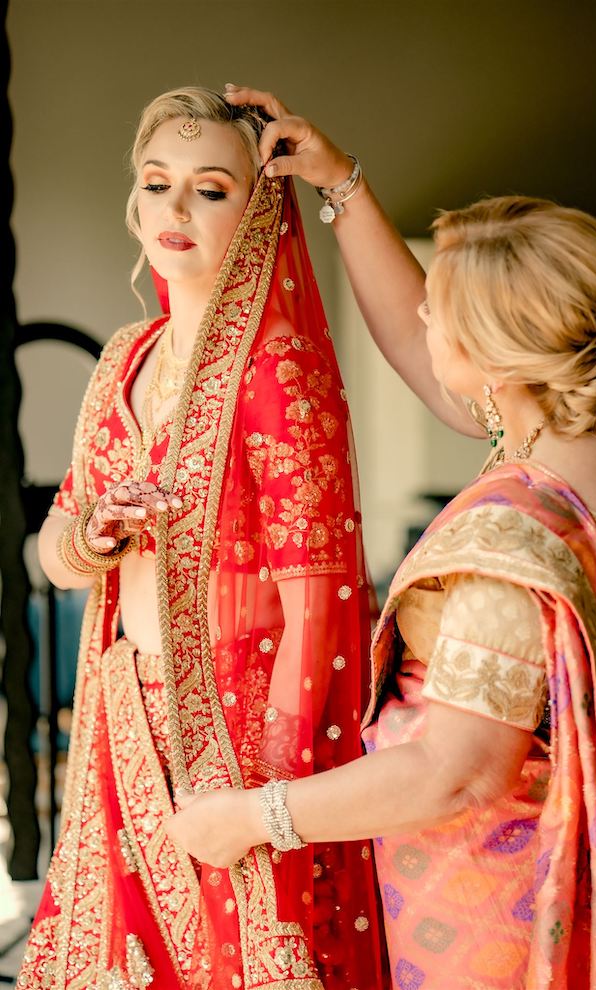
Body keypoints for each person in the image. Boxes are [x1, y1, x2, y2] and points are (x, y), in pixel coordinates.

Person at [168, 89, 596, 990]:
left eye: (443, 312)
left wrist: (249, 816)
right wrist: (338, 183)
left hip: (496, 903)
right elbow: (421, 344)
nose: (421, 320)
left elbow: (454, 773)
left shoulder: (516, 540)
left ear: (500, 360)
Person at [17, 87, 387, 990]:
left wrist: (274, 800)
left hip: (238, 729)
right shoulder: (122, 359)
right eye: (157, 182)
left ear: (258, 206)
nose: (175, 210)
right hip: (120, 721)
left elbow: (321, 601)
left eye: (211, 188)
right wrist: (90, 540)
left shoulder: (279, 364)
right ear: (135, 199)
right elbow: (51, 549)